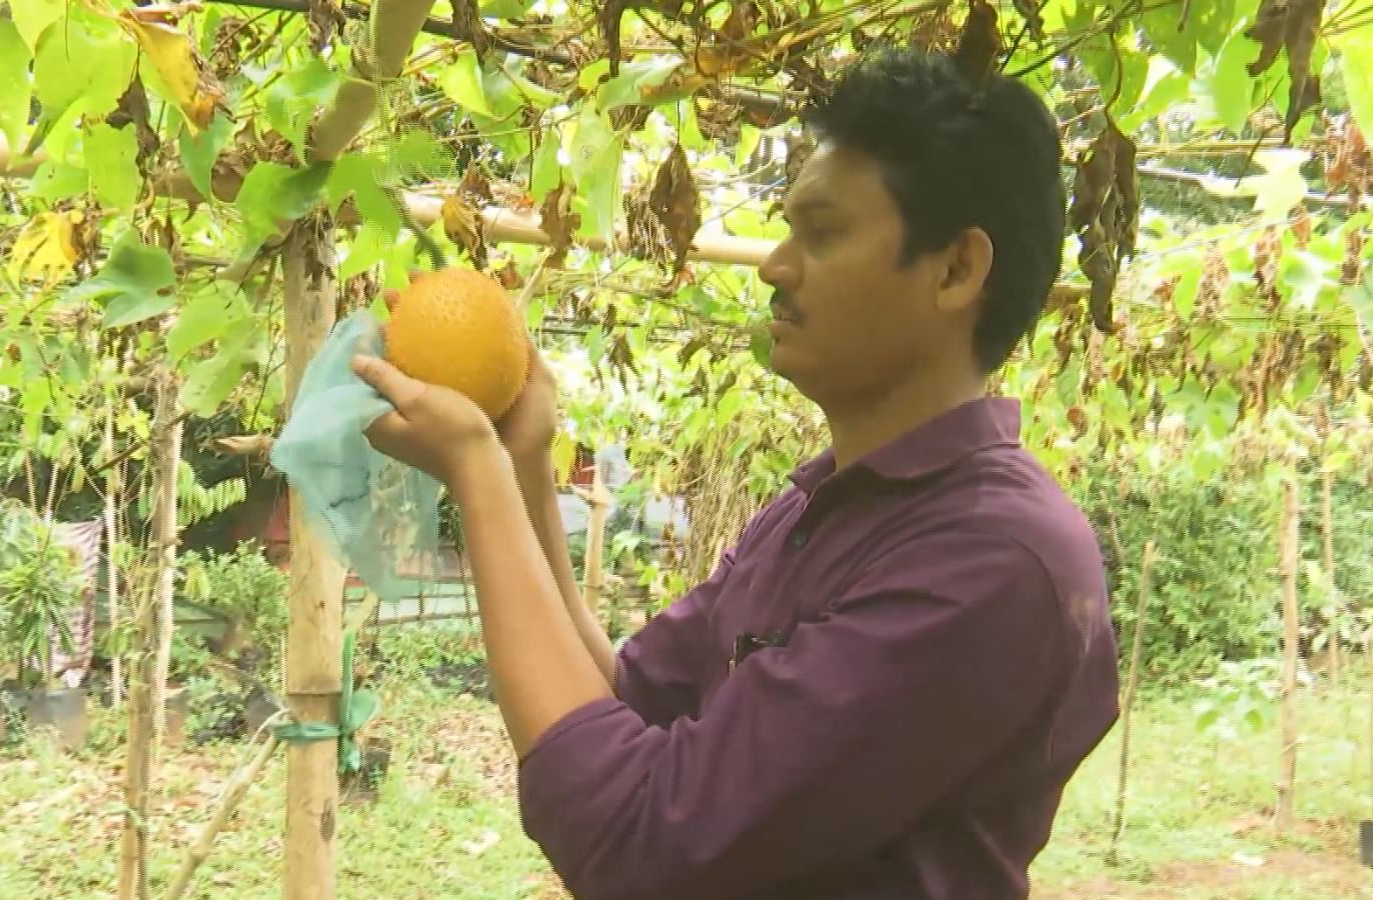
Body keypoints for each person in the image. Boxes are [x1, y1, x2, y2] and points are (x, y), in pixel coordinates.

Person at [352, 48, 1119, 900]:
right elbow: (627, 699)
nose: (773, 266)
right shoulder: (817, 508)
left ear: (954, 270)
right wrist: (525, 464)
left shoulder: (993, 561)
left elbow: (641, 842)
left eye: (821, 233)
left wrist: (476, 472)